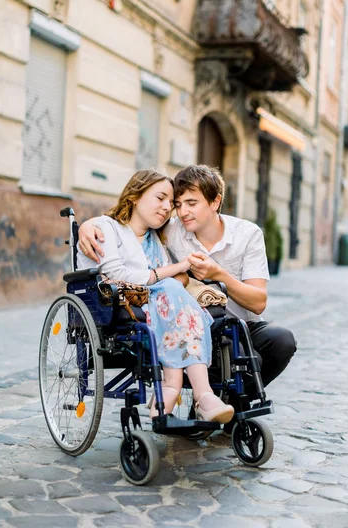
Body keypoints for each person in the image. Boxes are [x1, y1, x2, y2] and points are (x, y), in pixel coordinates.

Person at [79, 164, 296, 433]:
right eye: (177, 204)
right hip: (191, 321)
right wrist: (87, 226)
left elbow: (258, 302)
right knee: (236, 351)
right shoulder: (168, 229)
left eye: (190, 203)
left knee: (278, 342)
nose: (180, 212)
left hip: (238, 322)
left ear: (215, 202)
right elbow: (126, 225)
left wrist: (219, 274)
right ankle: (206, 399)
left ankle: (230, 404)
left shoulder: (246, 234)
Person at [77, 168, 234, 424]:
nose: (166, 208)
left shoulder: (156, 239)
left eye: (170, 204)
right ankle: (198, 394)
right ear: (135, 195)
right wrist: (178, 268)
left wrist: (174, 275)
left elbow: (168, 280)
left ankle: (180, 393)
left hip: (163, 310)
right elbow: (121, 276)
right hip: (121, 307)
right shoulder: (107, 228)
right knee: (173, 293)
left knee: (177, 296)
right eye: (159, 198)